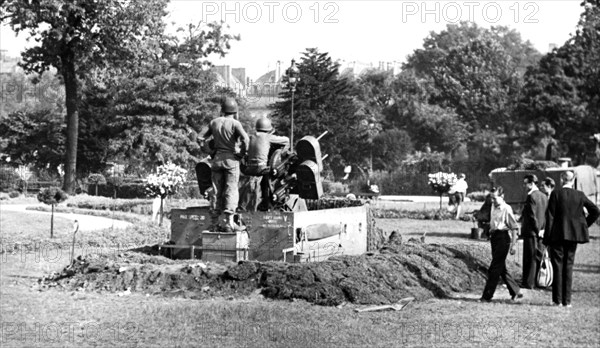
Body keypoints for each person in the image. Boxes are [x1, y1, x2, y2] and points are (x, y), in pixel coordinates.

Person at [543, 170, 599, 307]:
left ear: (562, 180)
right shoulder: (579, 195)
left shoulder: (556, 194)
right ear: (573, 180)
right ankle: (567, 301)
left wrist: (546, 239)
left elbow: (549, 217)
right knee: (568, 267)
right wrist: (584, 225)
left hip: (557, 235)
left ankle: (557, 300)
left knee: (558, 266)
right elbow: (595, 211)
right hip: (573, 235)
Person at [202, 97, 249, 232]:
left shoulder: (214, 122)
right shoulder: (235, 124)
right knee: (231, 189)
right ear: (234, 111)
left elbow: (200, 138)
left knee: (216, 190)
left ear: (222, 110)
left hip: (216, 161)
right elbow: (246, 139)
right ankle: (229, 223)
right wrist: (241, 154)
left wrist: (210, 152)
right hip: (231, 160)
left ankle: (214, 223)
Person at [480, 186, 522, 302]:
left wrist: (513, 245)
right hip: (494, 238)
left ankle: (487, 296)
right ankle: (515, 291)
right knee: (501, 267)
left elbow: (514, 228)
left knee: (494, 268)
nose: (492, 201)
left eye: (495, 198)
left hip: (503, 238)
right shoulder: (493, 206)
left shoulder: (506, 209)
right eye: (491, 198)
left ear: (502, 196)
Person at [240, 117, 289, 211]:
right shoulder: (268, 137)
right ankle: (267, 204)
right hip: (261, 168)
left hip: (249, 169)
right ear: (268, 129)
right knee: (270, 177)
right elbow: (286, 140)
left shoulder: (251, 136)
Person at [520, 174, 548, 289]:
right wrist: (543, 229)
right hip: (541, 231)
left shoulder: (531, 196)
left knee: (529, 257)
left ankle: (529, 282)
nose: (524, 185)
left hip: (531, 231)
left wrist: (536, 230)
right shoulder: (544, 196)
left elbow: (532, 216)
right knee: (537, 256)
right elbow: (546, 215)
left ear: (531, 184)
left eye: (526, 183)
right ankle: (536, 280)